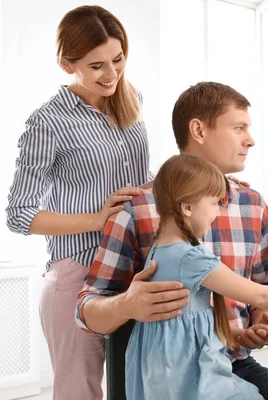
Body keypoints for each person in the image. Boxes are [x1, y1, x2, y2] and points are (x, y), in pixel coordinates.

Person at [76, 82, 268, 400]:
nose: (251, 140)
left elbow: (267, 288)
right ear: (198, 130)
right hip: (166, 377)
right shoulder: (136, 209)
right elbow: (86, 311)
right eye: (239, 128)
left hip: (230, 364)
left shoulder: (253, 204)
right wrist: (127, 304)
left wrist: (264, 321)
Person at [5, 6, 150, 399]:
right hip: (77, 273)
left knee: (140, 387)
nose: (111, 74)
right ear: (66, 63)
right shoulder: (48, 123)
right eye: (96, 65)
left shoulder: (132, 98)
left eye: (118, 60)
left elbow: (140, 179)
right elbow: (19, 215)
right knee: (78, 393)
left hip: (134, 269)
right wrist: (97, 219)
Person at [126, 154, 268, 399]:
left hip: (162, 376)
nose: (217, 212)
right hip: (189, 379)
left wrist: (236, 335)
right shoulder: (191, 259)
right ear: (187, 207)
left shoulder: (158, 251)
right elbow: (260, 294)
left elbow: (184, 327)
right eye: (215, 203)